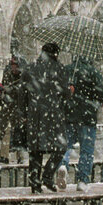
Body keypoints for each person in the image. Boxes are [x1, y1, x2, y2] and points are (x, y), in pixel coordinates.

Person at [24, 43, 69, 193]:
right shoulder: (59, 69)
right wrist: (70, 90)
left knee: (36, 150)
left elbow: (22, 92)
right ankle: (48, 175)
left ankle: (34, 182)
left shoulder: (31, 68)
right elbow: (64, 92)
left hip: (35, 113)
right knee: (61, 147)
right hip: (52, 113)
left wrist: (24, 112)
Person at [61, 56, 103, 192]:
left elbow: (58, 90)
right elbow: (102, 94)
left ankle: (63, 165)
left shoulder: (68, 70)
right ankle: (82, 180)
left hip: (69, 115)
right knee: (86, 151)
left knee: (66, 145)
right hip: (87, 117)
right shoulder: (94, 73)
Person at [0, 55, 28, 165]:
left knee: (19, 132)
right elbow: (4, 89)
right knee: (6, 132)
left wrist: (12, 90)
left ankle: (20, 155)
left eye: (15, 65)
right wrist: (4, 90)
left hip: (19, 109)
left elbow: (23, 93)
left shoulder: (24, 78)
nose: (13, 68)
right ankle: (4, 155)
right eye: (12, 65)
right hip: (8, 108)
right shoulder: (7, 75)